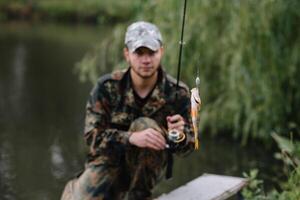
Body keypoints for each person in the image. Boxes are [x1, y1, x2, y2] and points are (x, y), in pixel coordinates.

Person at [61, 21, 195, 200]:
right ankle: (77, 189)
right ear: (127, 54)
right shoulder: (106, 87)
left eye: (152, 52)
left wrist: (179, 135)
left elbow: (189, 146)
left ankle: (138, 196)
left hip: (145, 172)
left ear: (161, 51)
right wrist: (131, 138)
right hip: (107, 164)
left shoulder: (178, 93)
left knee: (144, 125)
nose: (146, 60)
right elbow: (92, 137)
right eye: (139, 53)